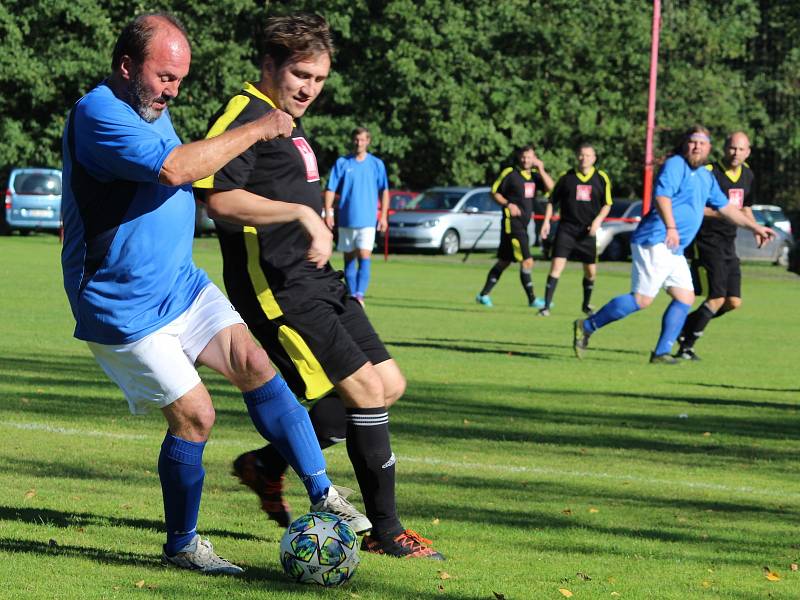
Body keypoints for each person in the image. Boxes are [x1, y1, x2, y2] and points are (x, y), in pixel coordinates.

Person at [60, 13, 365, 576]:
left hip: (181, 285)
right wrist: (257, 128)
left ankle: (325, 494)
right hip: (122, 307)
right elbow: (175, 169)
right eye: (164, 77)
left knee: (255, 362)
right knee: (196, 417)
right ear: (126, 66)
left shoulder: (151, 106)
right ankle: (182, 546)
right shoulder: (99, 112)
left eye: (180, 78)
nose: (173, 90)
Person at [194, 13, 443, 560]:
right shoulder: (245, 113)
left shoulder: (287, 119)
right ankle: (386, 530)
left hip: (320, 280)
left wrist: (313, 222)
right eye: (300, 75)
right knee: (366, 395)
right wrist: (302, 218)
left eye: (319, 79)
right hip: (279, 290)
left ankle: (267, 464)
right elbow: (216, 199)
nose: (310, 88)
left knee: (388, 383)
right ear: (268, 66)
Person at [572, 125, 774, 363]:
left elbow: (727, 208)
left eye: (702, 142)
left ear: (709, 147)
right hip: (655, 239)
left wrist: (756, 227)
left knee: (685, 297)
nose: (697, 146)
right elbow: (661, 197)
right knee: (642, 299)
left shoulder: (705, 177)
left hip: (673, 247)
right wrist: (671, 226)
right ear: (685, 144)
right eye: (693, 141)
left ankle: (660, 353)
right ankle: (587, 325)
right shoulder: (676, 165)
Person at [676, 132, 755, 360]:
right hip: (707, 242)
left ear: (748, 151)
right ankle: (686, 347)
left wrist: (757, 229)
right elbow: (693, 206)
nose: (736, 153)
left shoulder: (748, 174)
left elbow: (746, 208)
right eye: (732, 148)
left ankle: (682, 325)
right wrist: (723, 213)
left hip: (729, 244)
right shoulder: (708, 173)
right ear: (724, 148)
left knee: (733, 302)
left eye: (741, 149)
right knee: (716, 298)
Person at [476, 145, 554, 308]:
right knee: (527, 261)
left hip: (523, 225)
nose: (526, 160)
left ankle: (483, 295)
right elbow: (494, 192)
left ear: (534, 158)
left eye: (530, 157)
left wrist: (541, 169)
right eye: (524, 157)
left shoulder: (534, 176)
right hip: (513, 225)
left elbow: (552, 190)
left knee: (504, 261)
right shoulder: (510, 173)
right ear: (519, 157)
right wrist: (507, 204)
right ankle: (532, 299)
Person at [539, 143, 612, 317]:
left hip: (588, 231)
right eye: (581, 155)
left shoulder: (601, 178)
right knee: (556, 266)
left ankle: (586, 305)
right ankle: (546, 306)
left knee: (590, 271)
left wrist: (597, 221)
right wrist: (546, 221)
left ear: (594, 158)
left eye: (588, 155)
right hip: (567, 228)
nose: (583, 158)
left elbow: (607, 204)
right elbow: (552, 200)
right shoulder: (567, 177)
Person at [323, 127, 390, 305]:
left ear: (368, 141)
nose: (359, 143)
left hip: (367, 220)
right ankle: (353, 295)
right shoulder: (342, 163)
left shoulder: (376, 164)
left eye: (362, 140)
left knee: (364, 255)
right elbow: (331, 188)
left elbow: (384, 191)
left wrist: (383, 216)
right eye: (356, 139)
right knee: (349, 257)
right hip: (346, 218)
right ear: (352, 140)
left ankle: (360, 294)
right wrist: (328, 212)